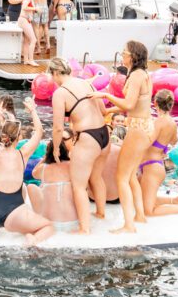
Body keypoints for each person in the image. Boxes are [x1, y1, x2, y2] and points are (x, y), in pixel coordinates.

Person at [0, 98, 55, 246]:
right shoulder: (23, 153)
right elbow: (39, 132)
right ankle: (33, 239)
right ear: (18, 137)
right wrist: (33, 110)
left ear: (3, 136)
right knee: (47, 227)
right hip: (16, 213)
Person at [93, 40, 153, 234]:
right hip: (143, 125)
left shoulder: (136, 76)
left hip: (137, 127)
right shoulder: (141, 74)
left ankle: (129, 225)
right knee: (131, 175)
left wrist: (105, 96)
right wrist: (108, 110)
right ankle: (139, 216)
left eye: (124, 52)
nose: (122, 55)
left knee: (121, 178)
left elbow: (128, 105)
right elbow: (134, 104)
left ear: (133, 56)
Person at [49, 57, 110, 235]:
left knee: (79, 185)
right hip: (103, 133)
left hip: (88, 137)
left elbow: (58, 127)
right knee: (96, 177)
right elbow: (104, 111)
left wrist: (55, 148)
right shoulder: (86, 83)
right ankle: (100, 213)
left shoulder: (60, 93)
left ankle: (84, 228)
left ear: (55, 73)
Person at [139, 90, 178, 217]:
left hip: (152, 167)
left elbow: (147, 142)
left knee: (149, 211)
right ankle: (176, 200)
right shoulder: (172, 123)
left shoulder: (158, 122)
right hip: (155, 165)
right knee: (142, 200)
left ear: (155, 103)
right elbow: (174, 141)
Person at [27, 140, 78, 232]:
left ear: (48, 153)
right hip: (74, 221)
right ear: (65, 151)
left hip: (50, 223)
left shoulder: (43, 168)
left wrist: (44, 159)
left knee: (31, 186)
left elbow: (33, 173)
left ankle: (38, 216)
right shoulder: (73, 166)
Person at [18, 0, 40, 66]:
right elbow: (24, 7)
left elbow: (29, 9)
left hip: (26, 20)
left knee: (27, 41)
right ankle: (31, 60)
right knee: (33, 40)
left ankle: (26, 60)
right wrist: (35, 8)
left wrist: (35, 10)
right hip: (23, 20)